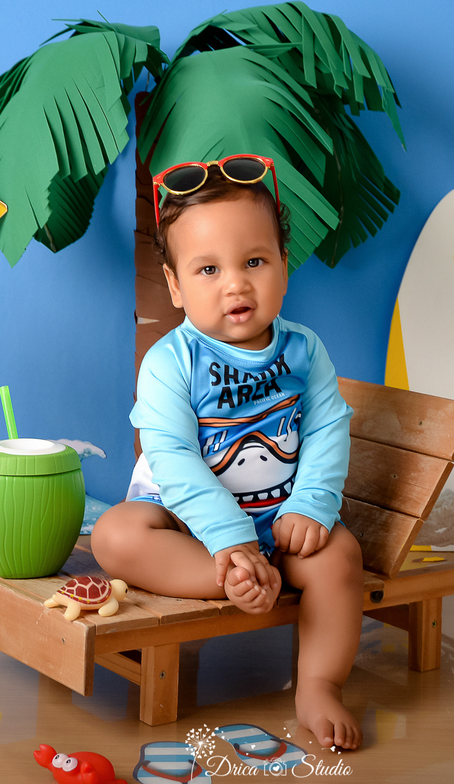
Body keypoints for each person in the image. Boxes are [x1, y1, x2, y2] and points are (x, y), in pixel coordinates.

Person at [91, 154, 364, 750]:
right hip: (187, 522)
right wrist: (228, 541)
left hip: (281, 515)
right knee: (114, 535)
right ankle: (236, 579)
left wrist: (314, 507)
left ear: (284, 267)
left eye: (254, 261)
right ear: (175, 285)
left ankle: (319, 683)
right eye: (208, 269)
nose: (235, 283)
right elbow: (175, 459)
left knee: (341, 555)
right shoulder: (169, 362)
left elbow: (326, 428)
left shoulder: (303, 350)